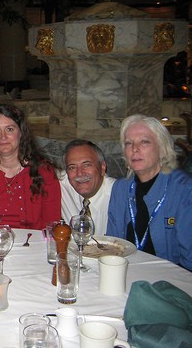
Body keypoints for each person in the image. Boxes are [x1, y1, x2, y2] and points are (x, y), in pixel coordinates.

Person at [107, 114, 192, 270]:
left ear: (162, 148)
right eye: (128, 143)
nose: (134, 149)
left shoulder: (184, 190)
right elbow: (113, 245)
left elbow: (189, 263)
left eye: (144, 142)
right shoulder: (120, 189)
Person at [59, 139, 116, 235]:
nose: (80, 173)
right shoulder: (60, 184)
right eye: (72, 167)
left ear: (102, 167)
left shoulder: (118, 196)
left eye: (87, 165)